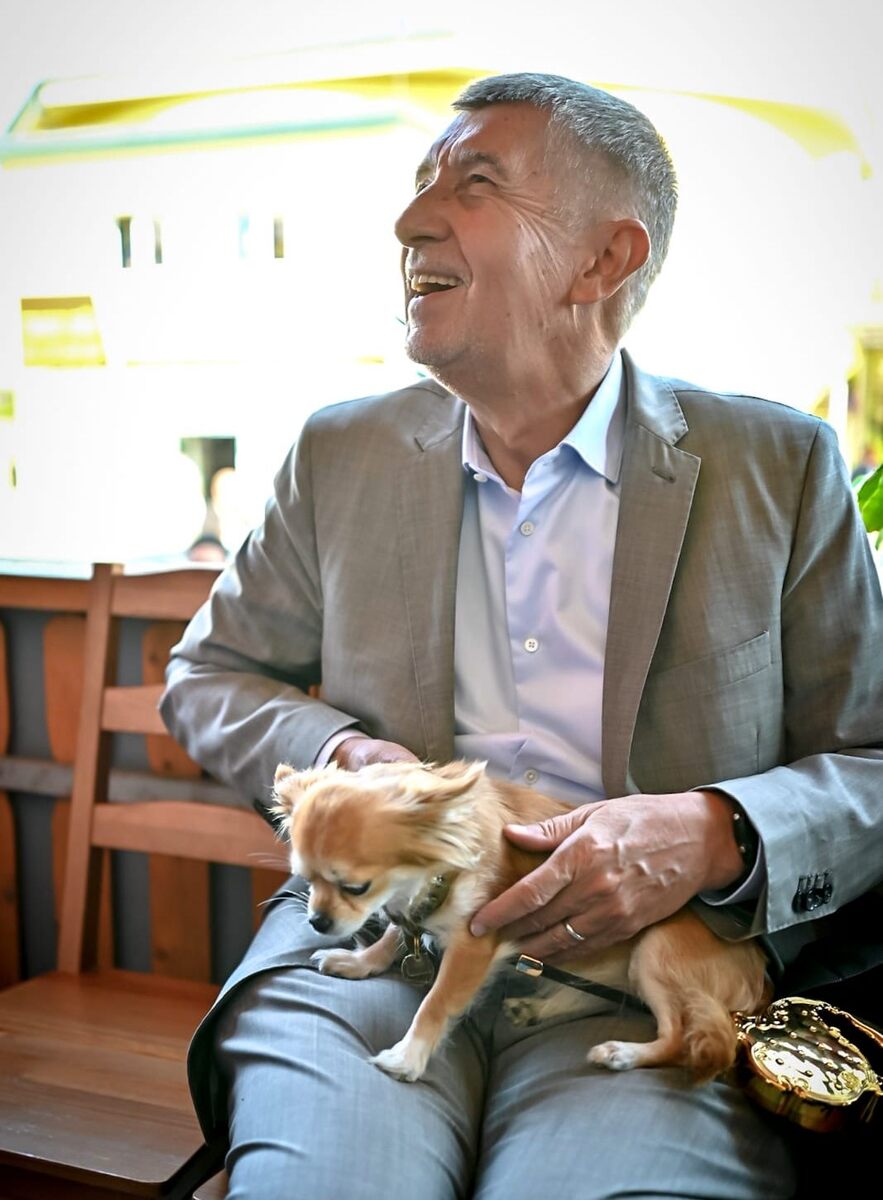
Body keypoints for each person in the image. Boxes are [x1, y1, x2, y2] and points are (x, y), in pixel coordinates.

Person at [161, 73, 883, 1199]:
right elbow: (208, 675)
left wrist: (713, 831)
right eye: (421, 184)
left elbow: (870, 761)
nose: (410, 221)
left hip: (646, 974)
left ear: (604, 261)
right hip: (372, 955)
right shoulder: (336, 454)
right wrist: (345, 758)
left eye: (474, 184)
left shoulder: (779, 466)